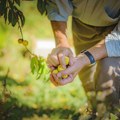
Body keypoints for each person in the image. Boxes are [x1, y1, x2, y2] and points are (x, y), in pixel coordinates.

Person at [46, 0, 120, 115]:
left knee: (107, 73)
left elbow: (117, 41)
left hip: (116, 26)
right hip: (82, 26)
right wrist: (61, 43)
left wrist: (84, 58)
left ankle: (110, 114)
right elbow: (57, 4)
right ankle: (98, 112)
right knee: (90, 84)